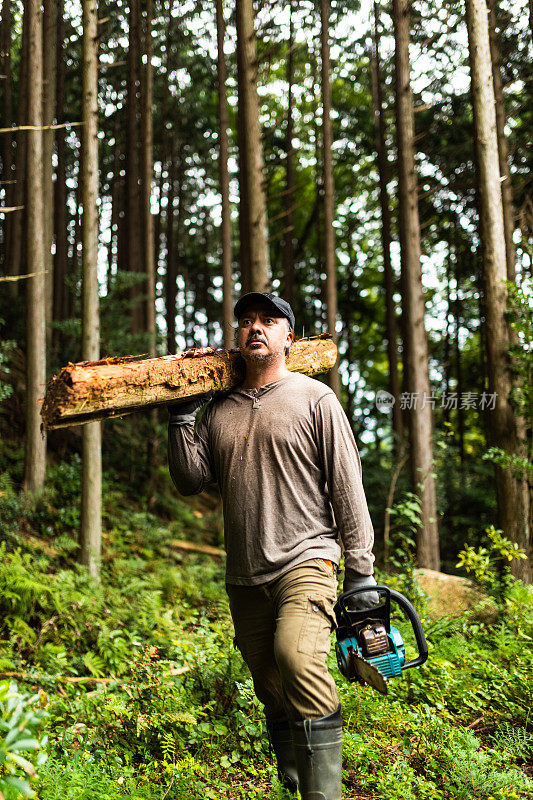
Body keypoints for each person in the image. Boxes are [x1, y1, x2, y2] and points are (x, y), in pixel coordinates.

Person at [168, 292, 377, 800]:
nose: (255, 327)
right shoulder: (219, 410)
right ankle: (295, 786)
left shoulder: (315, 399)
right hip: (245, 575)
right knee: (271, 687)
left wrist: (362, 573)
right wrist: (181, 416)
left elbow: (347, 485)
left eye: (269, 320)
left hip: (307, 558)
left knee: (296, 657)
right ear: (237, 338)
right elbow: (190, 480)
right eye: (245, 321)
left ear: (290, 337)